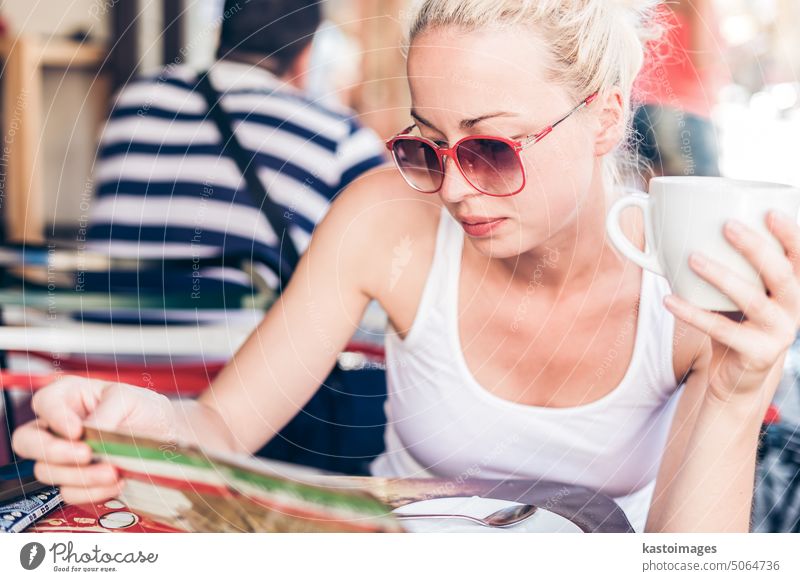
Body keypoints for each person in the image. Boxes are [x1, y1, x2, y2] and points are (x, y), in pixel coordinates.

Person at [13, 0, 800, 533]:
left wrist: (738, 392)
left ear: (604, 115)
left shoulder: (691, 283)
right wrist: (146, 425)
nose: (453, 189)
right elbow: (219, 426)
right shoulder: (384, 219)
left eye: (491, 148)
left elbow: (681, 565)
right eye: (428, 143)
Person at [86, 0, 385, 296]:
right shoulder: (340, 137)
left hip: (97, 334)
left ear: (221, 31)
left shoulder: (135, 99)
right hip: (240, 341)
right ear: (306, 56)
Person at [633, 0, 728, 179]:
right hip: (683, 114)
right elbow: (701, 57)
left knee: (657, 200)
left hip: (643, 111)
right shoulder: (700, 3)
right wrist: (722, 56)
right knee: (704, 199)